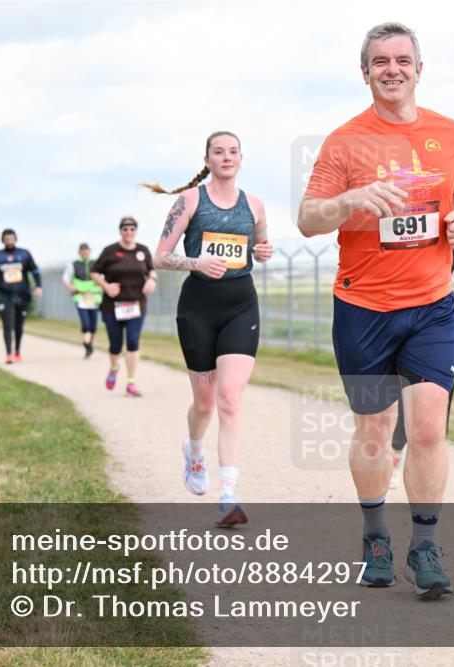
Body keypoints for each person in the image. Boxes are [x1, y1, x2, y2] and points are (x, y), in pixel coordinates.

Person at [298, 22, 454, 598]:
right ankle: (376, 534)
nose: (391, 69)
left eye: (402, 60)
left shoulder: (450, 134)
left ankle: (425, 546)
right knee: (375, 427)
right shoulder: (345, 142)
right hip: (363, 307)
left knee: (426, 426)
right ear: (365, 72)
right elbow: (308, 218)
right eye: (380, 62)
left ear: (420, 69)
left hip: (431, 306)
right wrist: (349, 200)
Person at [146, 130, 274, 528]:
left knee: (231, 399)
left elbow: (261, 247)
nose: (227, 157)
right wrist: (197, 262)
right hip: (198, 307)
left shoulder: (254, 205)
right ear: (208, 159)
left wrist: (263, 251)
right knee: (204, 405)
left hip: (240, 304)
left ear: (241, 158)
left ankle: (229, 496)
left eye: (233, 151)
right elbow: (160, 258)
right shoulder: (189, 201)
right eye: (219, 152)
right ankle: (194, 449)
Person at [390, 244, 454, 490]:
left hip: (439, 327)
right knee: (404, 405)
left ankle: (427, 478)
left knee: (436, 410)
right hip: (398, 323)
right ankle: (395, 455)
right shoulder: (407, 233)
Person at [90, 218, 157, 396]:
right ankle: (114, 367)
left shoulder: (142, 250)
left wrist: (152, 280)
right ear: (120, 231)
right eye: (125, 229)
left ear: (136, 231)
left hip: (136, 304)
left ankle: (131, 382)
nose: (129, 232)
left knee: (133, 342)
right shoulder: (110, 251)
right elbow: (94, 272)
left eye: (132, 229)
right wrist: (106, 286)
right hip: (113, 306)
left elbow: (151, 269)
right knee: (116, 345)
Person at [0, 229, 42, 364]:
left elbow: (35, 271)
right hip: (4, 295)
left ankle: (17, 351)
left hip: (22, 295)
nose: (9, 241)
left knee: (19, 326)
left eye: (11, 238)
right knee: (7, 325)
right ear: (3, 240)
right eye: (6, 239)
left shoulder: (25, 254)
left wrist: (38, 286)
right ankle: (9, 354)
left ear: (16, 239)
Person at [62, 243, 102, 358]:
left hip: (94, 297)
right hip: (81, 297)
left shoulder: (96, 263)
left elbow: (103, 276)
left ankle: (90, 343)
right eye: (82, 251)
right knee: (86, 323)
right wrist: (70, 287)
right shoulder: (73, 265)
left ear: (90, 251)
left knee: (93, 325)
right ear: (79, 252)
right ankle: (87, 346)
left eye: (87, 250)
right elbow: (65, 278)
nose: (85, 252)